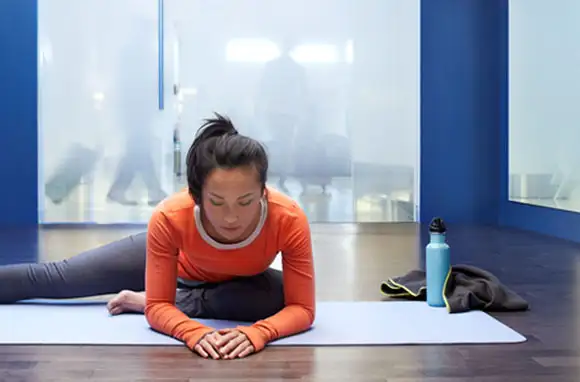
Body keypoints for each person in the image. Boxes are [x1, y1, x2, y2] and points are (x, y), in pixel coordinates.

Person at [0, 113, 315, 359]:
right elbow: (160, 308)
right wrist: (192, 331)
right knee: (59, 277)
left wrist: (258, 334)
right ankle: (157, 298)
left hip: (236, 285)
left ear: (263, 192)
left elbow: (303, 309)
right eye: (217, 202)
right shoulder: (170, 215)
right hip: (178, 265)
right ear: (195, 195)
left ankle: (143, 299)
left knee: (279, 295)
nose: (231, 217)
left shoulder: (287, 217)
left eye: (245, 202)